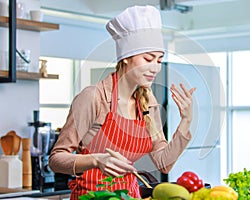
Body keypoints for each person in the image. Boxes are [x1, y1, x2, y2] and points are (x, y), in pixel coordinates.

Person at [49, 5, 196, 199]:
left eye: (159, 60)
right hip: (92, 196)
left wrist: (186, 120)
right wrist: (95, 160)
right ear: (126, 58)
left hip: (130, 196)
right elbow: (56, 159)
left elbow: (163, 163)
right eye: (148, 58)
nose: (155, 68)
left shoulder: (147, 102)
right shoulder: (94, 97)